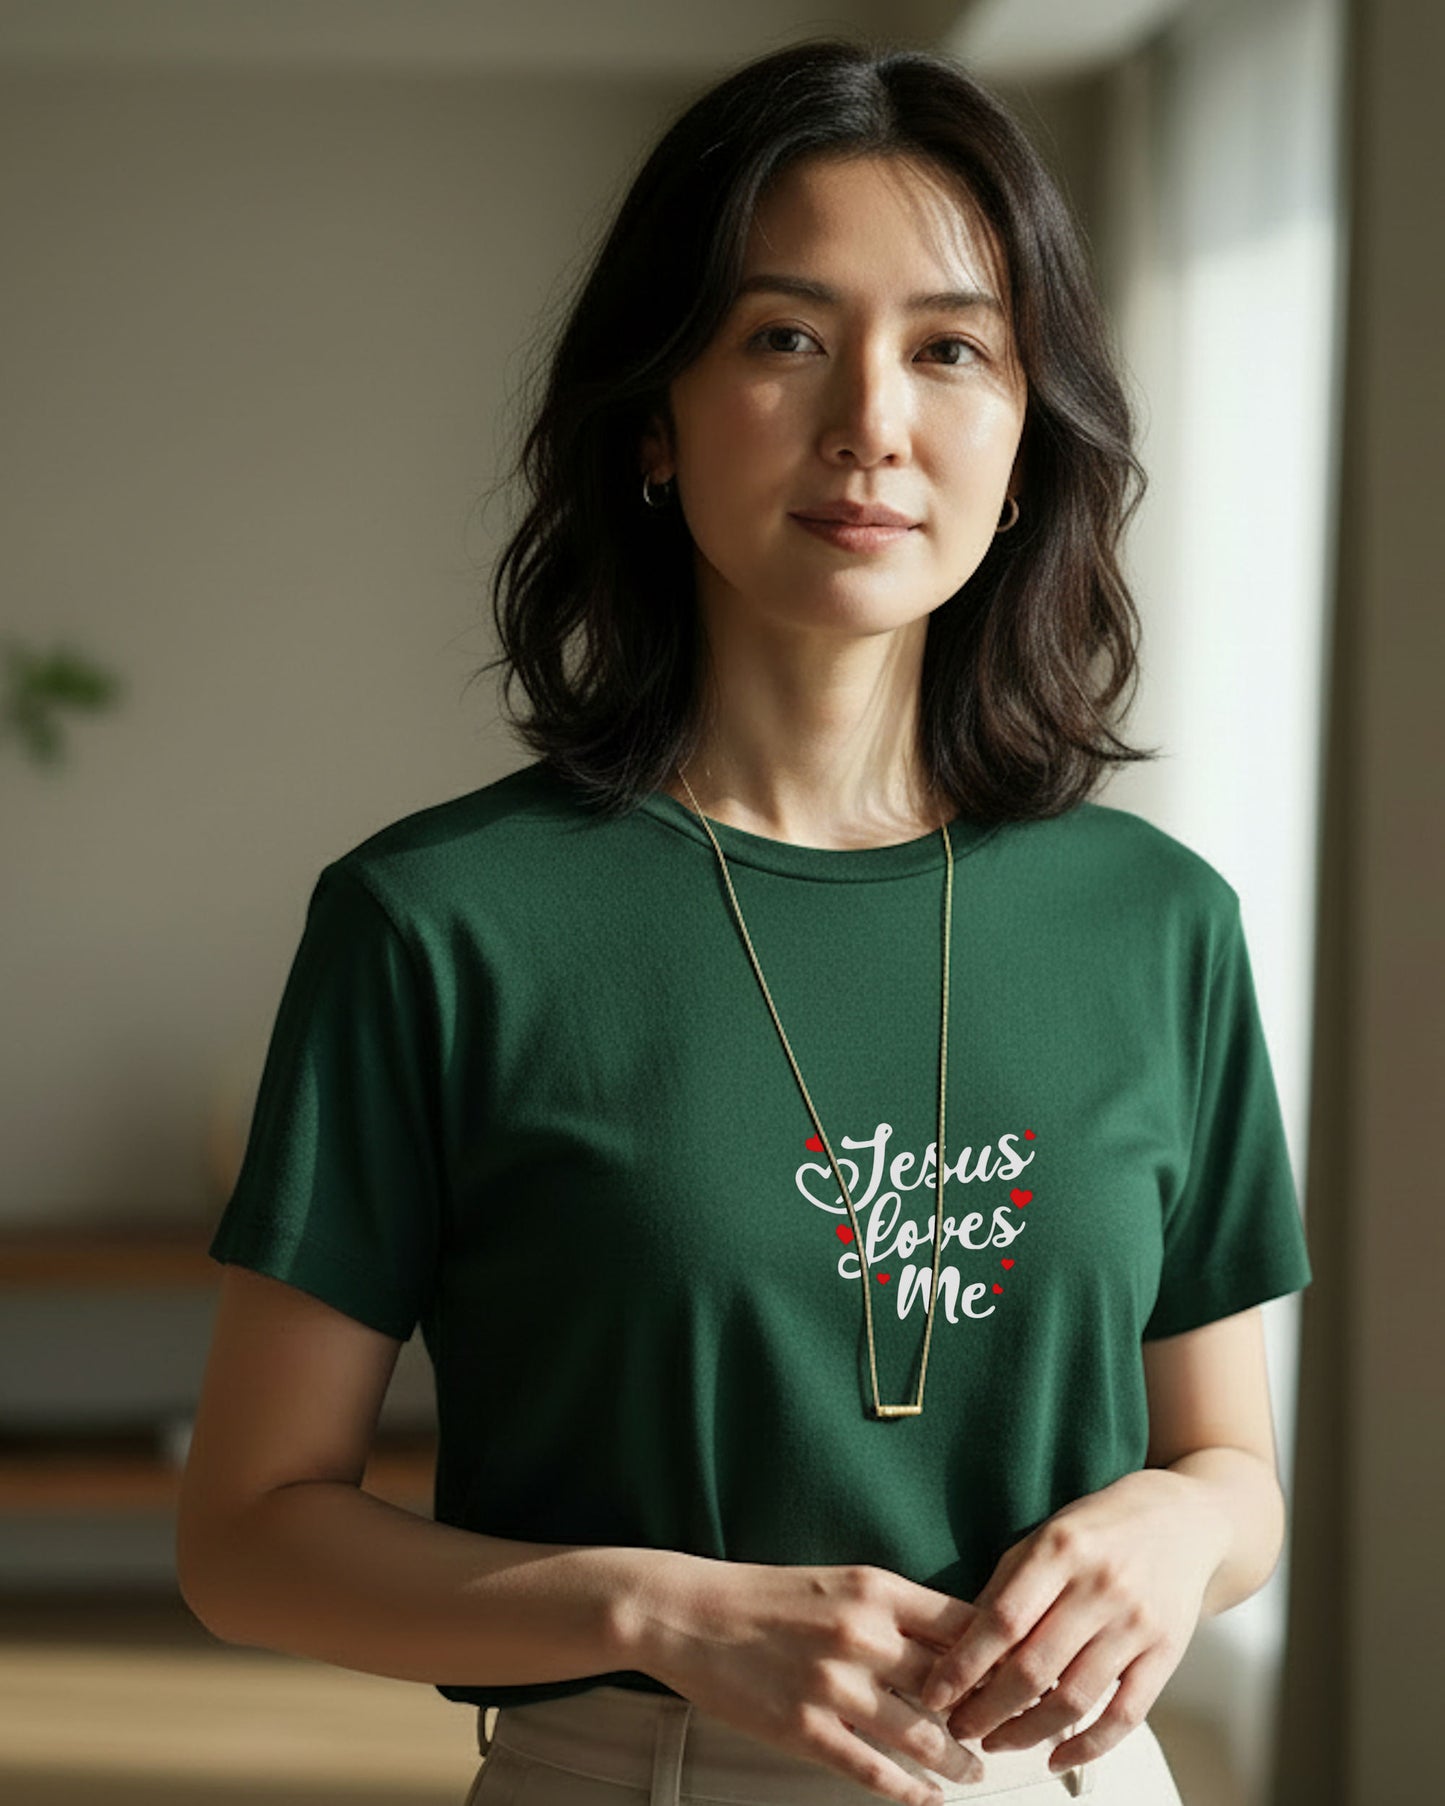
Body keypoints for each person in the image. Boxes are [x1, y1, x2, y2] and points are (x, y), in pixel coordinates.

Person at [176, 34, 1314, 1806]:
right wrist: (661, 1605)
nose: (870, 418)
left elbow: (1231, 1463)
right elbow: (248, 1534)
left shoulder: (1157, 921)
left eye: (950, 349)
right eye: (784, 337)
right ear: (654, 416)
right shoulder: (438, 922)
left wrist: (1176, 1526)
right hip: (640, 1766)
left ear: (1024, 441)